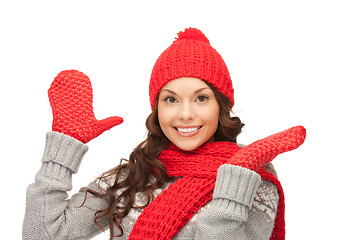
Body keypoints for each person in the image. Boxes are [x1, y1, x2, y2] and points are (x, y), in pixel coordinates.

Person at [23, 28, 306, 240]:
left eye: (201, 98)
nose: (185, 114)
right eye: (171, 99)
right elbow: (43, 235)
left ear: (221, 104)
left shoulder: (252, 181)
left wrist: (234, 182)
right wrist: (61, 151)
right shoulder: (134, 174)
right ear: (156, 108)